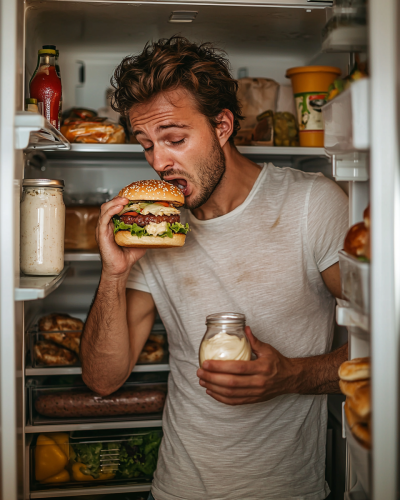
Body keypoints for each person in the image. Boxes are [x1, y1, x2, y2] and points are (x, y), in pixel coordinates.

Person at [81, 36, 349, 500]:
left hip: (289, 490)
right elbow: (104, 379)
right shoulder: (157, 229)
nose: (159, 162)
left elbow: (385, 346)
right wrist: (114, 273)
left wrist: (292, 375)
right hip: (176, 488)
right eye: (145, 144)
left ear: (222, 125)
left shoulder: (312, 204)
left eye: (175, 139)